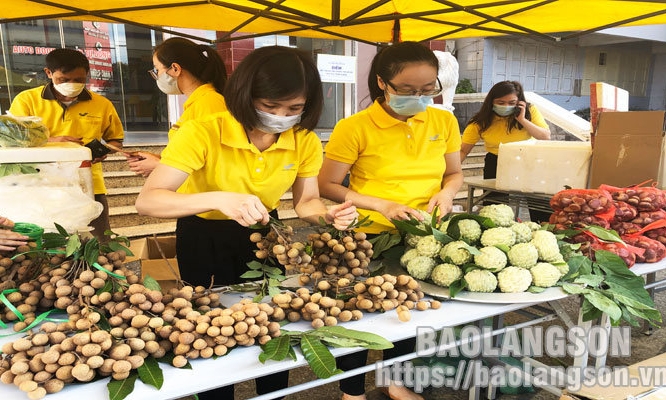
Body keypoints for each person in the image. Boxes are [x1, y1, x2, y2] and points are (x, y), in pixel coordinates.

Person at [135, 45, 358, 400]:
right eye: (270, 107)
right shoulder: (202, 132)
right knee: (212, 332)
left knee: (269, 324)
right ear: (244, 95)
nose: (281, 116)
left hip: (264, 235)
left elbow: (306, 201)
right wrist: (219, 198)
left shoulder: (304, 141)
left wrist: (328, 216)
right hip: (203, 236)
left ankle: (273, 395)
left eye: (294, 109)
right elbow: (148, 199)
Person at [318, 41, 464, 400]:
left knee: (411, 312)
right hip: (368, 235)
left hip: (423, 236)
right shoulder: (354, 127)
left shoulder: (443, 120)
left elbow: (454, 174)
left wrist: (446, 195)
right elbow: (327, 185)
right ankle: (351, 391)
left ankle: (397, 384)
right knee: (359, 314)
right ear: (383, 82)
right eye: (407, 90)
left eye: (428, 89)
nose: (419, 96)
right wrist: (381, 205)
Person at [8, 48, 124, 240]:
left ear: (87, 74)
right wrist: (54, 142)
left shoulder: (102, 104)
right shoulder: (26, 100)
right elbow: (12, 141)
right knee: (46, 239)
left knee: (100, 241)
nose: (72, 84)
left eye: (79, 80)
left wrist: (106, 150)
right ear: (49, 73)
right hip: (39, 183)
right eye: (64, 79)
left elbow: (116, 139)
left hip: (88, 183)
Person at [127, 37, 228, 177]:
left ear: (175, 68)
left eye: (157, 69)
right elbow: (193, 151)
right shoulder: (197, 103)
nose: (157, 76)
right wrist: (161, 158)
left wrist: (159, 166)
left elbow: (218, 162)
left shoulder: (210, 103)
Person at [460, 80, 551, 222]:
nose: (506, 106)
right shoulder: (480, 121)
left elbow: (545, 136)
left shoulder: (530, 111)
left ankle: (543, 230)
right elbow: (463, 151)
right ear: (491, 102)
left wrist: (521, 119)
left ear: (519, 102)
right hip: (496, 162)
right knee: (494, 208)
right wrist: (448, 172)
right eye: (501, 103)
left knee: (539, 206)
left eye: (511, 102)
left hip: (528, 161)